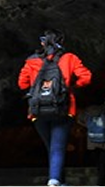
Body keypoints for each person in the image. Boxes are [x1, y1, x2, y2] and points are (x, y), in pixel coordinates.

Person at [17, 29, 92, 187]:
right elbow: (86, 77)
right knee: (58, 147)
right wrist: (71, 87)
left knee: (51, 146)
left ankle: (59, 180)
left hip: (38, 110)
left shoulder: (32, 61)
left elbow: (22, 84)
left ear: (42, 43)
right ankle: (55, 181)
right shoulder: (69, 58)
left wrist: (37, 91)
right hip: (63, 108)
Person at [77, 99, 105, 187]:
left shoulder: (87, 111)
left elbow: (80, 120)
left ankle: (101, 181)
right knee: (104, 161)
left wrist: (90, 127)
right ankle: (102, 182)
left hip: (92, 140)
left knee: (98, 161)